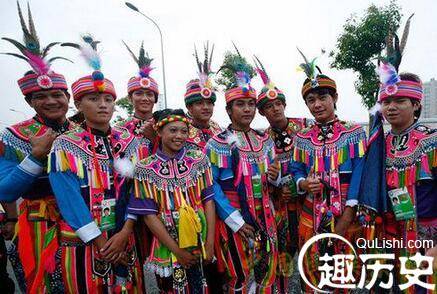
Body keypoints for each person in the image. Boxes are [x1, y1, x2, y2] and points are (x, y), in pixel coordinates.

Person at [49, 35, 144, 292]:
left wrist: (125, 232)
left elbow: (140, 191)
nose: (103, 105)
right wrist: (100, 241)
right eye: (93, 99)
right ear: (78, 104)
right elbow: (69, 200)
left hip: (125, 235)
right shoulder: (65, 145)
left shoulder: (130, 142)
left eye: (108, 100)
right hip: (85, 242)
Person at [0, 3, 74, 292]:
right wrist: (35, 156)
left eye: (57, 94)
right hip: (36, 229)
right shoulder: (14, 136)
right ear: (30, 102)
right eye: (41, 96)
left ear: (68, 98)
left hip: (80, 226)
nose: (52, 101)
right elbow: (5, 191)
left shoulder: (81, 132)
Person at [290, 49, 366, 292]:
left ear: (335, 98)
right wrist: (302, 183)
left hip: (345, 210)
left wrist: (348, 213)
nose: (317, 104)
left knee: (342, 273)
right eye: (311, 100)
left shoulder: (353, 133)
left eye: (323, 97)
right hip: (311, 213)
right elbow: (295, 169)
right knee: (313, 273)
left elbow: (359, 173)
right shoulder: (302, 137)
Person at [206, 47, 280, 293]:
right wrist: (234, 220)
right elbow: (211, 186)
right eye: (240, 105)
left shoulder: (264, 140)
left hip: (266, 220)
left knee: (267, 273)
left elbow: (275, 178)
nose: (247, 109)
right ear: (229, 110)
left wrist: (276, 176)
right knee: (239, 275)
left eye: (251, 104)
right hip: (236, 221)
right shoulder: (217, 144)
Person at [128, 109, 216, 293]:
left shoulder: (199, 160)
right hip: (167, 242)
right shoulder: (145, 168)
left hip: (199, 238)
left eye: (184, 131)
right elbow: (149, 215)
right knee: (171, 288)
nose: (179, 136)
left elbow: (208, 201)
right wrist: (177, 251)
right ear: (159, 132)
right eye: (173, 130)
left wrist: (209, 242)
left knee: (201, 286)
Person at [254, 56, 311, 291]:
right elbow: (261, 174)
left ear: (284, 105)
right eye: (269, 106)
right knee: (284, 255)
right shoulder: (262, 139)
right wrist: (275, 182)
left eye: (278, 103)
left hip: (308, 201)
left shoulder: (306, 127)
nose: (275, 109)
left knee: (312, 254)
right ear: (262, 112)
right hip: (279, 207)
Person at [117, 41, 158, 158]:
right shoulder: (119, 130)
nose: (145, 98)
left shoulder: (165, 125)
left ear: (155, 99)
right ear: (130, 98)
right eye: (139, 94)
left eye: (150, 94)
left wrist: (155, 139)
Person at [184, 43, 222, 151]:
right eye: (199, 103)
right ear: (189, 107)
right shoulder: (181, 131)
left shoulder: (218, 129)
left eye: (209, 103)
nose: (206, 107)